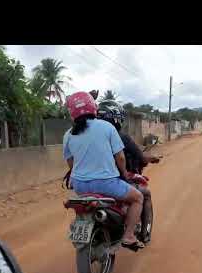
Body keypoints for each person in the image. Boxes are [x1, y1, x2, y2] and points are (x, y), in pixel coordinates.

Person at [63, 91, 144, 248]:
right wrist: (124, 174)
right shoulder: (107, 127)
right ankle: (128, 235)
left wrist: (78, 176)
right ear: (93, 107)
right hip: (106, 184)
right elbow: (120, 158)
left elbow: (70, 162)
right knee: (138, 198)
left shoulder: (68, 134)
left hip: (80, 186)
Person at [97, 99, 159, 242]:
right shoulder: (120, 136)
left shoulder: (91, 135)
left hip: (90, 181)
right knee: (144, 194)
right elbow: (136, 157)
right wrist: (149, 159)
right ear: (116, 118)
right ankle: (139, 233)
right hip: (114, 180)